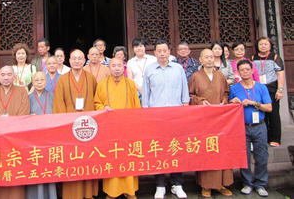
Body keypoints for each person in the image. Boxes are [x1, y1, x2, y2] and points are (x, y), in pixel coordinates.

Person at [142, 40, 189, 199]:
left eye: (165, 50)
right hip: (157, 116)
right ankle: (160, 184)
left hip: (176, 115)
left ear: (170, 51)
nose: (162, 53)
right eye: (159, 51)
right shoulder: (149, 70)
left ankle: (177, 184)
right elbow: (146, 95)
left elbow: (185, 91)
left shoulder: (178, 69)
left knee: (176, 149)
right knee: (158, 150)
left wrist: (185, 106)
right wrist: (146, 113)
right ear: (154, 53)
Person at [53, 49, 98, 199]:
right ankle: (71, 194)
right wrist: (62, 125)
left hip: (87, 128)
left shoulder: (91, 78)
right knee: (72, 159)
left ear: (85, 60)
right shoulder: (62, 79)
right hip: (69, 128)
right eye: (74, 58)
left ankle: (88, 193)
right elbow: (59, 103)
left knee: (87, 158)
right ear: (69, 61)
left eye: (80, 58)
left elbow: (95, 98)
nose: (77, 61)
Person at [188, 49, 233, 198]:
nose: (209, 59)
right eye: (206, 57)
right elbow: (189, 95)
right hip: (204, 120)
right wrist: (201, 101)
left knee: (221, 150)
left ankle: (221, 184)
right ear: (200, 60)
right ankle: (206, 185)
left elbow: (226, 92)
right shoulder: (195, 76)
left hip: (220, 120)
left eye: (211, 57)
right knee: (207, 150)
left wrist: (224, 101)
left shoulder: (220, 75)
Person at [94, 58, 140, 199]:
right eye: (113, 65)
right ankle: (112, 191)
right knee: (112, 158)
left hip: (127, 128)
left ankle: (129, 190)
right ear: (109, 68)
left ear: (124, 67)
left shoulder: (131, 84)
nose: (116, 68)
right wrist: (104, 108)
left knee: (128, 158)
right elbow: (97, 103)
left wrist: (136, 123)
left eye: (119, 65)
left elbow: (137, 105)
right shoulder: (102, 84)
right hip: (110, 129)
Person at [0, 66, 30, 199]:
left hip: (16, 139)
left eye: (9, 75)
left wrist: (11, 128)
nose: (5, 78)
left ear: (14, 77)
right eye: (3, 75)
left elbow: (24, 113)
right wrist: (2, 129)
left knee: (15, 170)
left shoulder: (22, 91)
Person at [229, 60, 272, 197]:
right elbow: (229, 106)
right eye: (242, 70)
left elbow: (269, 108)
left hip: (259, 126)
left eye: (247, 69)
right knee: (244, 157)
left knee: (261, 156)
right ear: (239, 72)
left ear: (252, 71)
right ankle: (247, 183)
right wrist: (233, 102)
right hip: (242, 127)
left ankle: (260, 184)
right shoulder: (235, 88)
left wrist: (254, 103)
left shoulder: (261, 87)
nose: (245, 72)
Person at [26, 72, 57, 199]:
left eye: (42, 80)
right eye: (36, 80)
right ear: (32, 82)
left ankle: (51, 195)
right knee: (35, 167)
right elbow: (23, 117)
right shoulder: (28, 97)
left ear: (46, 82)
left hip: (49, 137)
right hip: (33, 138)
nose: (39, 82)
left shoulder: (53, 96)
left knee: (48, 167)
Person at [252, 37, 285, 147]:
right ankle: (264, 138)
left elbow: (280, 73)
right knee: (262, 113)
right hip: (259, 89)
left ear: (270, 45)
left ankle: (275, 138)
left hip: (271, 88)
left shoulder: (274, 57)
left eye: (266, 44)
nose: (263, 46)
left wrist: (280, 90)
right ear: (257, 46)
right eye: (261, 44)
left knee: (274, 114)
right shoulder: (254, 57)